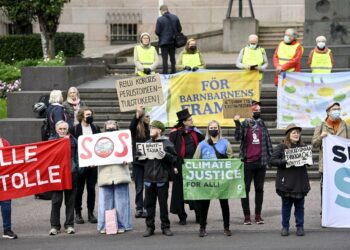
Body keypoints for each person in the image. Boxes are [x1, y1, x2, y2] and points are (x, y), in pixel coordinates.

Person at [234, 100, 273, 225]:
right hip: (248, 162)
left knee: (259, 189)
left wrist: (270, 158)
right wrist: (237, 123)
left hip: (260, 162)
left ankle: (258, 215)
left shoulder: (262, 124)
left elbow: (268, 142)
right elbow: (238, 137)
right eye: (255, 110)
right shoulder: (245, 124)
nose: (257, 111)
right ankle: (246, 216)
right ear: (250, 111)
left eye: (259, 110)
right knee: (245, 189)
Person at [193, 120, 233, 237]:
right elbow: (196, 160)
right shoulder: (202, 144)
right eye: (211, 128)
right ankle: (202, 227)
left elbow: (231, 159)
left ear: (219, 129)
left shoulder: (225, 143)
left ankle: (226, 227)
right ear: (208, 130)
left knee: (224, 204)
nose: (213, 129)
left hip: (221, 179)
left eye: (215, 127)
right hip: (207, 179)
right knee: (204, 205)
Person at [270, 123, 310, 237]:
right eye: (294, 132)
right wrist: (284, 161)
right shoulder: (281, 147)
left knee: (300, 207)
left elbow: (309, 163)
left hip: (300, 182)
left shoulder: (303, 147)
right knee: (286, 206)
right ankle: (285, 227)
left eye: (298, 132)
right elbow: (272, 161)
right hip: (286, 182)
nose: (296, 134)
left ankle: (300, 226)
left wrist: (308, 160)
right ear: (288, 135)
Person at [141, 120, 177, 237]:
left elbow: (175, 159)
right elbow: (138, 159)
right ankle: (149, 227)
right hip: (149, 179)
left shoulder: (167, 143)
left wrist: (165, 155)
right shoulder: (146, 143)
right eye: (150, 128)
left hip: (162, 179)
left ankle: (165, 227)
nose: (150, 130)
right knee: (149, 205)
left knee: (163, 205)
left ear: (159, 130)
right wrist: (141, 156)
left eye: (153, 128)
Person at [169, 108, 204, 225]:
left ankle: (199, 215)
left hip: (194, 165)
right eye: (189, 120)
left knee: (196, 189)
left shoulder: (195, 131)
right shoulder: (175, 133)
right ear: (183, 122)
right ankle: (182, 216)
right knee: (179, 191)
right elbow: (171, 150)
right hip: (180, 165)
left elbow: (203, 142)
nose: (192, 121)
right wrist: (173, 165)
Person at [312, 102, 350, 210]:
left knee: (341, 187)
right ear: (328, 112)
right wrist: (321, 137)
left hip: (341, 164)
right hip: (327, 165)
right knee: (325, 189)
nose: (337, 111)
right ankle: (325, 211)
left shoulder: (346, 126)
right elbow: (314, 144)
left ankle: (339, 210)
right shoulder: (321, 126)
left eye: (338, 109)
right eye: (334, 109)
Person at [97, 120, 132, 234]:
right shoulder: (98, 141)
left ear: (117, 128)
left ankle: (122, 225)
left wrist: (128, 159)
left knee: (122, 202)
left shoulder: (124, 140)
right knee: (104, 202)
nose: (111, 129)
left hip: (120, 173)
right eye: (109, 128)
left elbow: (129, 155)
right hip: (105, 173)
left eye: (113, 127)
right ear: (105, 128)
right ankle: (104, 225)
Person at [71, 107, 101, 224]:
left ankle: (90, 212)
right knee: (79, 190)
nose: (90, 116)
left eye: (90, 114)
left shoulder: (95, 128)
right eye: (87, 115)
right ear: (81, 116)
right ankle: (77, 213)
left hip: (93, 164)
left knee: (91, 189)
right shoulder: (75, 129)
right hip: (80, 164)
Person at [49, 121, 78, 236]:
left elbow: (78, 156)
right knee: (56, 201)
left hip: (71, 174)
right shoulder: (51, 141)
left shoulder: (73, 140)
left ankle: (69, 225)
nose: (62, 130)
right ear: (56, 129)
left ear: (68, 129)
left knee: (70, 201)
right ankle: (55, 226)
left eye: (64, 128)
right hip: (57, 175)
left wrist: (77, 168)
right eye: (60, 128)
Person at [129, 105, 150, 218]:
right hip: (137, 162)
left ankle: (146, 207)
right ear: (142, 118)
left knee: (148, 185)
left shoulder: (151, 129)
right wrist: (137, 115)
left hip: (148, 162)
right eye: (146, 116)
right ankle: (139, 208)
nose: (148, 118)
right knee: (139, 186)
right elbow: (131, 127)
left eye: (149, 116)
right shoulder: (136, 130)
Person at [155, 4, 182, 74]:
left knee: (165, 59)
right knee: (173, 58)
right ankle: (173, 71)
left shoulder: (160, 19)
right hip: (173, 41)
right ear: (167, 9)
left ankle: (165, 73)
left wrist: (162, 36)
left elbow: (157, 31)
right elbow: (179, 29)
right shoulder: (175, 17)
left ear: (161, 11)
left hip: (164, 43)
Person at [0, 136, 17, 239]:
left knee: (6, 205)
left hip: (3, 181)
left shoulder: (4, 142)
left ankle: (7, 230)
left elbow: (11, 158)